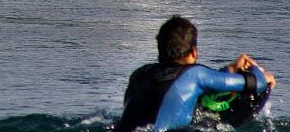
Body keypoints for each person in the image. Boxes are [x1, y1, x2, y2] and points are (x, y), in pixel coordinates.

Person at [116, 16, 276, 132]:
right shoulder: (197, 75)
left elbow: (178, 85)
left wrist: (231, 69)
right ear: (193, 51)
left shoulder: (139, 74)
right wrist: (257, 71)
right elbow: (256, 83)